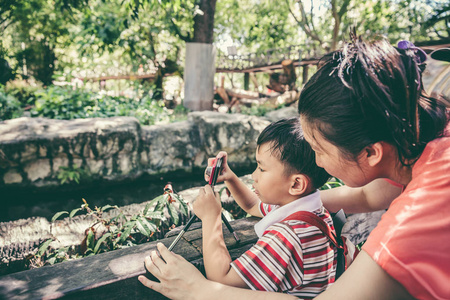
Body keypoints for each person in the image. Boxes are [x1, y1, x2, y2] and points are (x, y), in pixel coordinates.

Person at [138, 35, 450, 300]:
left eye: (319, 150)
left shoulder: (418, 213)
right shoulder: (425, 144)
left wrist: (200, 290)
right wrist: (285, 200)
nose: (316, 162)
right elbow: (370, 197)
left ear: (370, 153)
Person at [191, 118, 333, 298]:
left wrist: (211, 217)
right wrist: (230, 177)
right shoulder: (308, 212)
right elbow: (253, 205)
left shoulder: (286, 237)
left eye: (261, 169)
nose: (253, 176)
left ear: (296, 184)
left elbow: (222, 280)